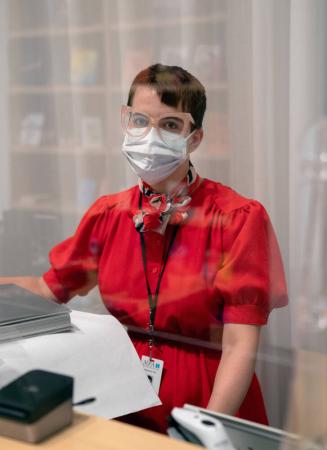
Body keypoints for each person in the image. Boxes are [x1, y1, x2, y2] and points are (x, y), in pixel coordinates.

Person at [0, 64, 288, 434]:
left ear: (194, 137)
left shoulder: (236, 218)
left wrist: (207, 429)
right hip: (122, 396)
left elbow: (239, 346)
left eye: (169, 125)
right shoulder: (109, 213)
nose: (150, 135)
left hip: (208, 401)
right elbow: (49, 289)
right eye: (139, 120)